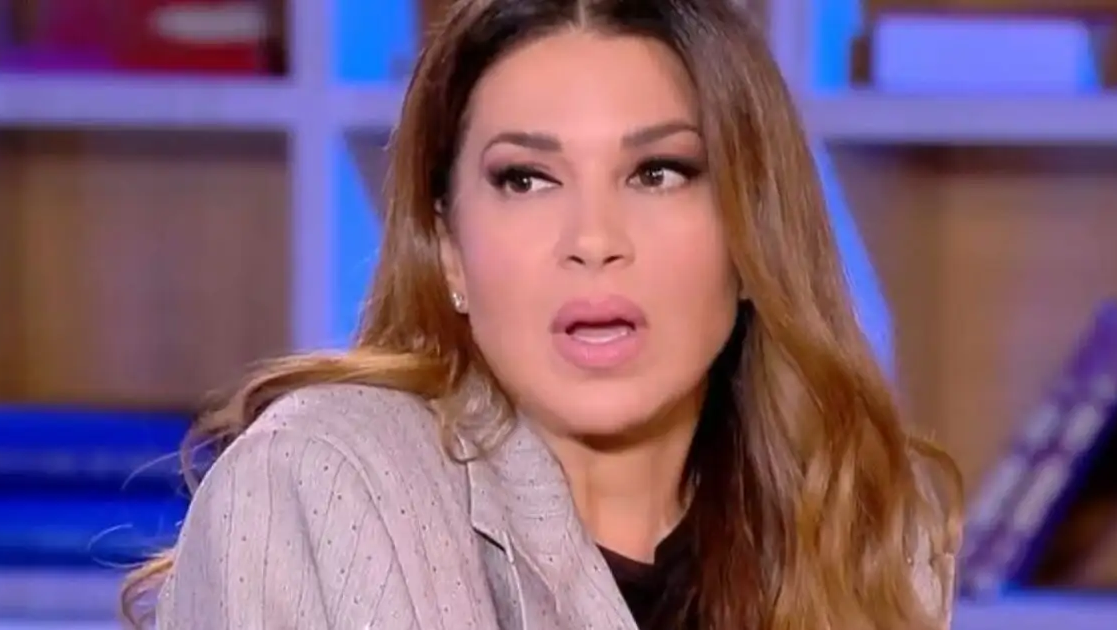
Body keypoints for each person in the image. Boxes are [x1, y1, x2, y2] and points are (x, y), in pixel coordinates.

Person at [121, 0, 962, 627]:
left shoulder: (866, 533)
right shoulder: (324, 484)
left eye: (659, 173)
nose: (593, 240)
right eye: (525, 179)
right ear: (449, 249)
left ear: (751, 237)